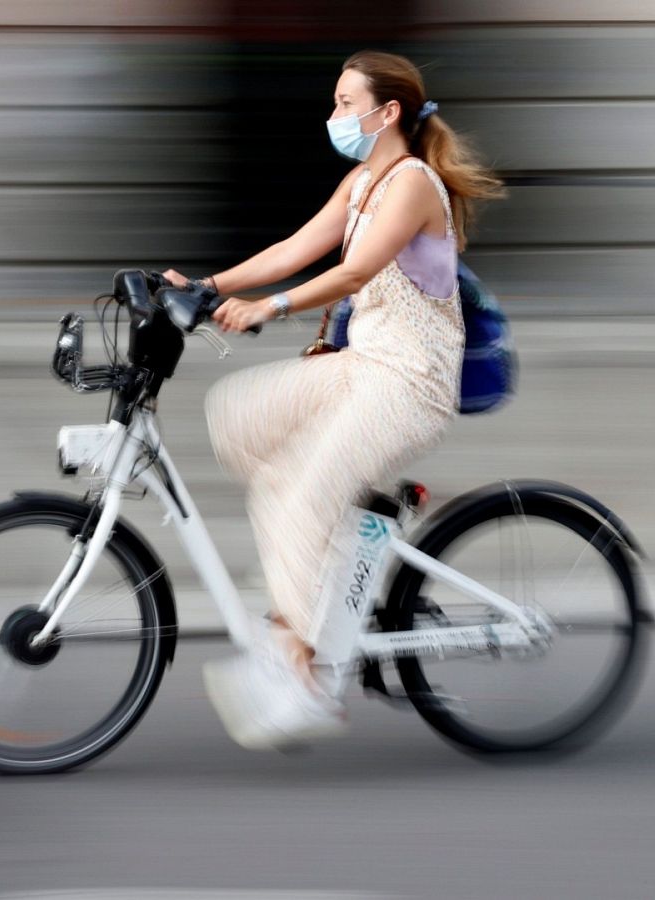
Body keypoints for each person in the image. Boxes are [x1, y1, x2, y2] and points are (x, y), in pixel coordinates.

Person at [163, 50, 505, 751]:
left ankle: (302, 670)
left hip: (408, 383)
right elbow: (295, 248)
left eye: (347, 104)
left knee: (300, 495)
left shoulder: (412, 183)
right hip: (360, 367)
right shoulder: (361, 183)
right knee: (240, 417)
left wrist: (270, 309)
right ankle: (346, 539)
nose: (335, 116)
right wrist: (209, 288)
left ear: (389, 114)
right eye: (335, 102)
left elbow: (352, 270)